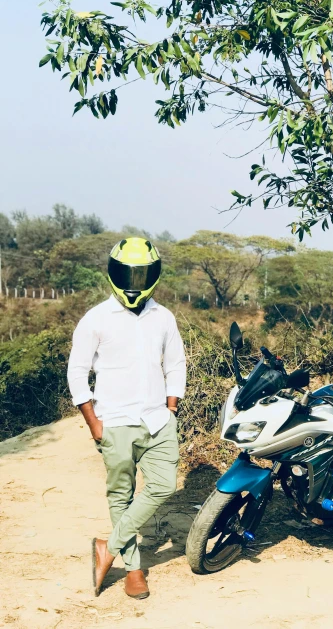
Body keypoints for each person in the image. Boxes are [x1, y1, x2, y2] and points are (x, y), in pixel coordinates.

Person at [67, 237, 186, 600]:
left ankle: (109, 546)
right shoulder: (96, 319)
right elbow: (77, 372)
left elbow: (176, 363)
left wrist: (171, 409)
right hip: (113, 420)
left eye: (142, 273)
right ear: (113, 272)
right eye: (127, 273)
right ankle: (134, 570)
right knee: (121, 494)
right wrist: (93, 422)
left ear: (154, 274)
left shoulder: (163, 316)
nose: (134, 281)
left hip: (157, 420)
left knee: (164, 485)